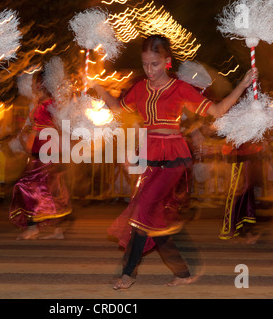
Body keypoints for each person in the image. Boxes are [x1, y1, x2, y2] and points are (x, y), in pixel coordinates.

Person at [91, 34, 255, 289]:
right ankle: (182, 273)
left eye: (154, 64)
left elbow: (216, 111)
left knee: (142, 210)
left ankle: (128, 273)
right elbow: (118, 109)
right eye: (145, 64)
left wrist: (243, 84)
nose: (149, 70)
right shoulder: (140, 88)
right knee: (152, 218)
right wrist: (99, 88)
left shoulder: (180, 89)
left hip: (174, 160)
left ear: (167, 61)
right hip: (150, 157)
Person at [8, 71, 72, 240]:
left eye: (35, 83)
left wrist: (28, 139)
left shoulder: (47, 104)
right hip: (44, 151)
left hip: (45, 152)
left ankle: (33, 227)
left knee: (26, 185)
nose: (32, 86)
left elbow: (42, 128)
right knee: (48, 190)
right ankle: (54, 229)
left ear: (41, 85)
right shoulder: (43, 103)